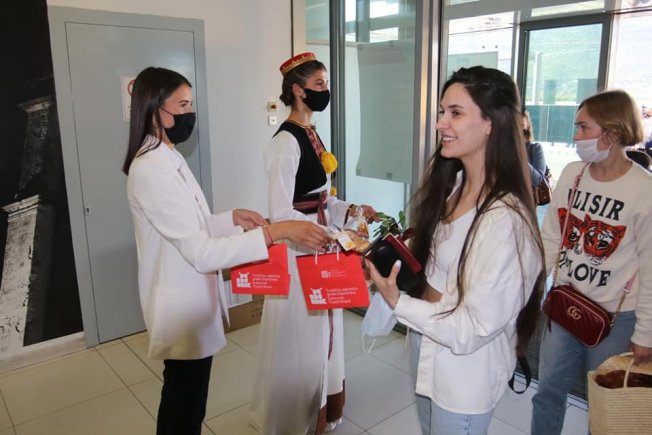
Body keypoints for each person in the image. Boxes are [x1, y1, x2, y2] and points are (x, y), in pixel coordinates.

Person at [122, 66, 328, 435]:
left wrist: (231, 218)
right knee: (182, 404)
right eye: (182, 105)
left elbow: (193, 224)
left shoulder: (169, 157)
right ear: (155, 111)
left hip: (193, 298)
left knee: (190, 400)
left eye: (191, 104)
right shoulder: (150, 169)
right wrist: (275, 232)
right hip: (180, 302)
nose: (190, 113)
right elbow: (200, 251)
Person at [366, 66, 545, 435]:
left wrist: (398, 301)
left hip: (465, 372)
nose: (440, 124)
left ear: (491, 123)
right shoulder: (456, 184)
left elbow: (472, 328)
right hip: (427, 343)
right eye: (442, 112)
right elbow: (440, 263)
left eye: (456, 113)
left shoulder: (505, 221)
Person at [248, 52, 377, 435]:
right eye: (319, 84)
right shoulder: (285, 144)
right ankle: (294, 416)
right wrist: (329, 234)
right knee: (301, 334)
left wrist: (351, 210)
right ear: (298, 90)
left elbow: (321, 198)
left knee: (324, 329)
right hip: (299, 251)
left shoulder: (312, 134)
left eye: (326, 83)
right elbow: (281, 213)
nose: (326, 90)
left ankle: (322, 403)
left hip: (321, 245)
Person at [531, 89, 652, 435]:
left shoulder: (644, 190)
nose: (576, 136)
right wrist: (532, 290)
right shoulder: (573, 174)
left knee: (604, 403)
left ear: (612, 133)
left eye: (583, 127)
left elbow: (650, 268)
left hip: (617, 318)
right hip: (564, 304)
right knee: (547, 392)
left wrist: (645, 333)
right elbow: (551, 237)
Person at [522, 109, 549, 188]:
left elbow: (537, 180)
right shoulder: (500, 149)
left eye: (521, 126)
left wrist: (518, 155)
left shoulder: (535, 149)